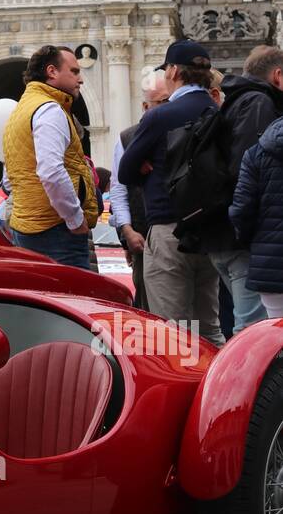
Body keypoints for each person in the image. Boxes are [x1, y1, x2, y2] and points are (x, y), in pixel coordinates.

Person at [118, 40, 224, 344]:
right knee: (209, 326)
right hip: (210, 230)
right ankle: (218, 388)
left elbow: (126, 172)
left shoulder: (159, 117)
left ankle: (184, 391)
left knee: (173, 333)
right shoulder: (218, 110)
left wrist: (146, 164)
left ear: (174, 70)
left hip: (168, 228)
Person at [196, 46, 283, 333]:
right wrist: (248, 237)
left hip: (230, 237)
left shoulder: (236, 101)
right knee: (255, 332)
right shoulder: (260, 105)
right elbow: (245, 179)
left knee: (252, 330)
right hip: (249, 247)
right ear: (278, 76)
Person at [1, 45, 98, 270]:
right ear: (52, 71)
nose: (80, 79)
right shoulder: (49, 110)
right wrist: (75, 219)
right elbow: (51, 171)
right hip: (56, 230)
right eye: (74, 71)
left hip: (27, 225)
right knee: (73, 301)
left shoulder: (20, 111)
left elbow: (9, 179)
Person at [109, 78, 170, 310]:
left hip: (180, 235)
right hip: (143, 237)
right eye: (163, 101)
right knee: (148, 304)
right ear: (146, 107)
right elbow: (118, 189)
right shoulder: (128, 138)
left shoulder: (184, 130)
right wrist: (127, 231)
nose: (168, 106)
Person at [229, 115, 283, 320]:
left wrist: (255, 243)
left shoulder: (257, 151)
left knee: (276, 339)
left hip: (271, 264)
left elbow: (241, 210)